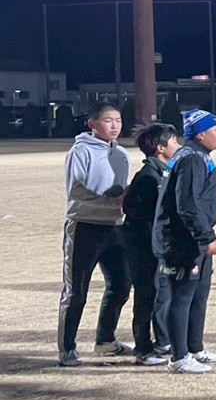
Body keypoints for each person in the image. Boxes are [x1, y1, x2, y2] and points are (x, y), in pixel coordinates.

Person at [56, 101, 133, 366]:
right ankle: (67, 349)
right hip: (85, 226)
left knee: (121, 285)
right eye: (108, 121)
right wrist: (110, 202)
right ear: (92, 124)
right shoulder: (80, 151)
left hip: (116, 227)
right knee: (76, 291)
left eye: (118, 120)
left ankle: (106, 341)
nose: (115, 126)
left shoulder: (121, 153)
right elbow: (75, 190)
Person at [153, 110, 216, 374]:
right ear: (200, 134)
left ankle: (195, 349)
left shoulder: (195, 156)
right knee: (182, 296)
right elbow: (187, 204)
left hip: (193, 239)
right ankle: (179, 357)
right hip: (182, 240)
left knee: (199, 293)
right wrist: (206, 237)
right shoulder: (192, 159)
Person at [121, 122, 180, 366]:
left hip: (155, 244)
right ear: (160, 148)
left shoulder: (163, 172)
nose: (178, 145)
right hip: (143, 246)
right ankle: (143, 349)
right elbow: (132, 210)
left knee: (161, 292)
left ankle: (162, 341)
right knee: (146, 294)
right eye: (174, 141)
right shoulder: (148, 176)